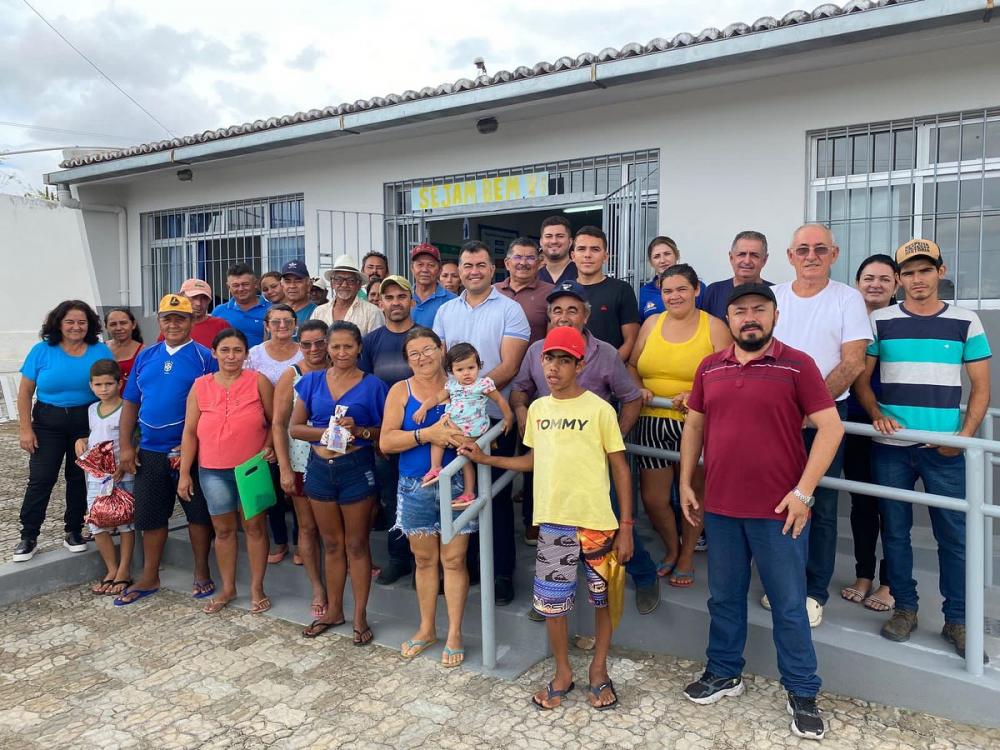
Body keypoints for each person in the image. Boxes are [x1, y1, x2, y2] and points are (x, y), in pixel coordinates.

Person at [679, 283, 843, 742]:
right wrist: (685, 481)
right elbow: (695, 424)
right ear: (728, 319)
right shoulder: (710, 366)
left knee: (789, 605)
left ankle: (803, 691)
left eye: (759, 309)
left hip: (779, 511)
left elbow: (831, 428)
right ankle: (723, 671)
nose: (749, 317)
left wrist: (804, 493)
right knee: (723, 597)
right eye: (740, 311)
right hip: (722, 507)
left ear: (774, 316)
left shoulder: (798, 365)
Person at [462, 326, 634, 710]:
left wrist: (626, 526)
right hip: (553, 521)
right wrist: (487, 459)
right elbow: (532, 461)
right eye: (548, 359)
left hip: (596, 522)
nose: (554, 368)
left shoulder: (600, 409)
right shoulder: (538, 409)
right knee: (553, 604)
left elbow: (620, 469)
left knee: (603, 600)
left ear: (580, 365)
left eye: (564, 360)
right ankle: (563, 672)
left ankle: (599, 670)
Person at [855, 239, 992, 661]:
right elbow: (861, 378)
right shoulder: (881, 320)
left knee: (954, 536)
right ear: (899, 278)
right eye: (909, 272)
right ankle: (905, 609)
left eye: (925, 270)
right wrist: (875, 412)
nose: (917, 279)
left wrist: (963, 436)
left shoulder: (966, 321)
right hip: (891, 447)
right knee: (895, 532)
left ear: (940, 271)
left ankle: (958, 620)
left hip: (944, 448)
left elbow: (981, 387)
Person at [511, 280, 660, 615]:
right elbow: (520, 389)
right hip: (555, 461)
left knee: (613, 519)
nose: (564, 317)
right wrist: (520, 410)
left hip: (594, 463)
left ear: (586, 316)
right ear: (549, 316)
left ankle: (645, 575)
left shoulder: (605, 353)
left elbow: (631, 398)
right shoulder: (537, 351)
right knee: (560, 527)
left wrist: (612, 440)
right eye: (557, 310)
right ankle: (554, 596)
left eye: (572, 310)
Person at [767, 224, 870, 626]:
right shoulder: (774, 297)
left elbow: (853, 362)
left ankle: (813, 592)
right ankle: (783, 584)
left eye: (820, 249)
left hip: (825, 419)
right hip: (776, 417)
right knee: (777, 499)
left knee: (819, 503)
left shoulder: (848, 299)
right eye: (803, 249)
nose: (811, 256)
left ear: (834, 254)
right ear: (790, 256)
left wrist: (810, 408)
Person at [433, 241, 530, 605]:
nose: (473, 271)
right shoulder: (445, 311)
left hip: (492, 419)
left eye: (480, 265)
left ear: (493, 269)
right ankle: (468, 567)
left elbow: (510, 365)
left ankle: (501, 574)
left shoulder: (510, 310)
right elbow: (442, 365)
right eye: (467, 265)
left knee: (496, 497)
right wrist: (453, 403)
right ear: (458, 271)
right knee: (462, 491)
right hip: (457, 419)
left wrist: (472, 393)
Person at [379, 327, 479, 667]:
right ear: (407, 360)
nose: (422, 358)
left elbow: (482, 423)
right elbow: (386, 441)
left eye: (428, 349)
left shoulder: (462, 383)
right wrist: (427, 434)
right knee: (423, 561)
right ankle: (426, 629)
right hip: (414, 486)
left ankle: (454, 633)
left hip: (457, 485)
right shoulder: (400, 390)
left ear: (441, 349)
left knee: (454, 561)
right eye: (414, 354)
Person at [629, 264, 731, 587]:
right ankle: (672, 547)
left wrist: (697, 394)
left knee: (694, 495)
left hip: (696, 424)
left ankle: (687, 554)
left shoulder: (714, 327)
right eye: (667, 291)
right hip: (652, 422)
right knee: (653, 499)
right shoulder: (651, 323)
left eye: (681, 289)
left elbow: (730, 375)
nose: (674, 296)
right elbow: (632, 365)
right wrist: (638, 387)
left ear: (696, 290)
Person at [113, 294, 217, 605]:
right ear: (159, 321)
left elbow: (212, 406)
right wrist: (126, 446)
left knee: (198, 515)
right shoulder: (146, 356)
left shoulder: (204, 358)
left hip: (190, 452)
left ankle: (201, 571)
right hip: (150, 450)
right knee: (150, 514)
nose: (173, 324)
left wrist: (193, 445)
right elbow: (131, 403)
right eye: (167, 318)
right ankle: (149, 575)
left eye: (180, 318)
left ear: (191, 321)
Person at [290, 321, 388, 643]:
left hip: (355, 467)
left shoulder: (374, 386)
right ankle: (334, 611)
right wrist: (328, 432)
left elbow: (384, 433)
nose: (342, 352)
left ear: (359, 348)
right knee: (331, 543)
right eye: (335, 346)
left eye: (348, 346)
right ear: (327, 349)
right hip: (319, 468)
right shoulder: (311, 381)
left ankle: (360, 615)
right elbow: (295, 428)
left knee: (356, 545)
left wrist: (358, 430)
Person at [178, 328, 274, 615]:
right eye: (225, 350)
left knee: (255, 527)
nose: (231, 356)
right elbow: (189, 432)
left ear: (246, 354)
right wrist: (184, 473)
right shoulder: (200, 385)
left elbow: (275, 422)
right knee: (223, 530)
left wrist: (269, 446)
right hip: (212, 470)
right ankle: (228, 587)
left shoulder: (258, 381)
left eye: (237, 350)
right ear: (214, 353)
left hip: (252, 468)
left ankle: (257, 587)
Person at [13, 300, 114, 562]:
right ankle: (28, 535)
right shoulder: (42, 350)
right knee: (41, 478)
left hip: (85, 421)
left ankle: (74, 530)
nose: (76, 327)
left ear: (89, 325)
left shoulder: (100, 351)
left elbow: (112, 386)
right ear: (58, 323)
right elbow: (25, 392)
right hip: (48, 422)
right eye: (69, 321)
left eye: (82, 322)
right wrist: (25, 429)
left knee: (78, 477)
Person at [841, 254, 897, 612]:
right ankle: (864, 575)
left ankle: (890, 582)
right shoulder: (848, 317)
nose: (875, 285)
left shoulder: (901, 321)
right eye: (868, 278)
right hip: (854, 421)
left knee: (891, 507)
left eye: (884, 279)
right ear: (857, 283)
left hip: (892, 426)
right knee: (862, 503)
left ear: (896, 285)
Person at [359, 275, 416, 585]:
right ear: (380, 303)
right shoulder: (371, 341)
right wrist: (376, 434)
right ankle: (399, 558)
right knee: (392, 498)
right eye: (389, 297)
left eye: (401, 296)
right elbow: (366, 388)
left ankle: (423, 560)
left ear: (411, 301)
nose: (395, 302)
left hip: (421, 435)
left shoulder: (424, 336)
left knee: (423, 497)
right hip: (385, 437)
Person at [272, 319, 330, 622]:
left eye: (319, 342)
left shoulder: (340, 369)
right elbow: (278, 424)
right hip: (300, 462)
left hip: (339, 460)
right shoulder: (291, 375)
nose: (313, 349)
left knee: (337, 527)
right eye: (306, 344)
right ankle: (317, 588)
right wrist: (283, 467)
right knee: (307, 527)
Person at [416, 343, 514, 508]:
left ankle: (441, 471)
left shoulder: (482, 384)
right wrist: (423, 407)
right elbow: (437, 397)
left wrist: (508, 416)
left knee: (456, 449)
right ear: (452, 371)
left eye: (471, 367)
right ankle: (458, 485)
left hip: (473, 428)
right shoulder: (452, 385)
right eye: (460, 370)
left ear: (478, 366)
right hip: (455, 426)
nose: (466, 373)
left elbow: (499, 400)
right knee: (456, 452)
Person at [247, 304, 304, 564]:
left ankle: (301, 542)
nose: (282, 326)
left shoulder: (305, 351)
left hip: (300, 428)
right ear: (266, 326)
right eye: (276, 322)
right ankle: (279, 540)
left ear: (295, 324)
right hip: (267, 429)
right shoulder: (255, 354)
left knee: (299, 489)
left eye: (288, 321)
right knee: (272, 488)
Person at [74, 359, 135, 595]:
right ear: (91, 385)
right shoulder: (92, 409)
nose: (103, 389)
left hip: (123, 474)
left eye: (108, 384)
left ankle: (124, 570)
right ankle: (111, 568)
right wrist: (81, 441)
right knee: (96, 522)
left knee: (125, 522)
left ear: (119, 383)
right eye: (98, 385)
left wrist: (126, 464)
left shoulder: (128, 408)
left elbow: (136, 439)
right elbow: (95, 436)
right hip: (97, 477)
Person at [572, 226, 640, 361]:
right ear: (573, 256)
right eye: (581, 249)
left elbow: (631, 340)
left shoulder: (622, 290)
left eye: (595, 249)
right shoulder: (563, 291)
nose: (587, 255)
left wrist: (608, 368)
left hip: (610, 370)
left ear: (605, 256)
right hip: (570, 370)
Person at [698, 231, 772, 320]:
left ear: (764, 260)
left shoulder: (776, 293)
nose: (747, 261)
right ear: (731, 257)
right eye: (742, 254)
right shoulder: (713, 292)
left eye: (754, 255)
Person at [495, 237, 554, 344]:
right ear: (507, 264)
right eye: (517, 257)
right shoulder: (493, 291)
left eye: (530, 258)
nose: (523, 262)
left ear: (538, 264)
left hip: (534, 355)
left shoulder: (551, 293)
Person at [312, 254, 384, 336]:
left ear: (359, 285)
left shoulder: (372, 313)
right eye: (339, 279)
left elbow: (377, 342)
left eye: (351, 280)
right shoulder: (319, 312)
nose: (344, 285)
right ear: (332, 283)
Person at [213, 262, 270, 347]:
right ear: (228, 287)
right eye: (235, 285)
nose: (241, 289)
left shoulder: (272, 310)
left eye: (245, 284)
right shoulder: (219, 311)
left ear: (255, 284)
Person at [161, 278, 229, 348]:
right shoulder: (172, 327)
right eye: (193, 297)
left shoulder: (221, 325)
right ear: (181, 297)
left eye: (204, 298)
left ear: (209, 301)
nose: (198, 303)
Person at [410, 243, 456, 327]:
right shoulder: (404, 297)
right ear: (412, 269)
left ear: (439, 270)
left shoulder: (453, 301)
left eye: (431, 265)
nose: (425, 270)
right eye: (420, 265)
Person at [639, 236, 680, 321]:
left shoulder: (695, 287)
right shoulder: (643, 293)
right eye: (656, 256)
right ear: (651, 262)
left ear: (677, 255)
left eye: (667, 254)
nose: (662, 260)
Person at [103, 307, 143, 381]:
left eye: (123, 323)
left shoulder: (144, 352)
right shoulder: (100, 349)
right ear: (106, 327)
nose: (118, 328)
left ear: (133, 324)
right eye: (113, 324)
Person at [537, 216, 577, 285]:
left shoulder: (582, 274)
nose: (554, 241)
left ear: (570, 242)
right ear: (541, 242)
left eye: (560, 236)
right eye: (548, 236)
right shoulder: (533, 278)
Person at [279, 260, 317, 327]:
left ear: (309, 285)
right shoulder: (275, 312)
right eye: (287, 281)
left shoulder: (317, 312)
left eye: (298, 281)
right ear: (281, 285)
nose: (292, 286)